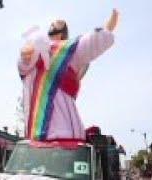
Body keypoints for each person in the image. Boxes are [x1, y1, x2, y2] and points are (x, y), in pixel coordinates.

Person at [19, 9, 119, 141]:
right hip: (34, 136)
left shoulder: (68, 50)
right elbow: (23, 67)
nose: (54, 24)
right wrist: (26, 54)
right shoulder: (38, 49)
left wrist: (109, 24)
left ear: (62, 33)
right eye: (52, 25)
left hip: (64, 135)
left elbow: (92, 41)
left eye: (58, 25)